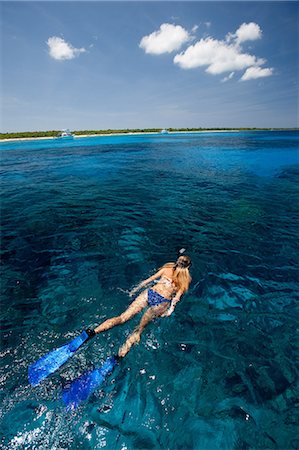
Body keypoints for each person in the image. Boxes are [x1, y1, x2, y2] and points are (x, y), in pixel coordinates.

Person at [91, 255, 192, 358]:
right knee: (139, 329)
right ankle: (120, 355)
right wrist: (170, 310)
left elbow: (149, 280)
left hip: (149, 293)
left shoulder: (167, 269)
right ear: (187, 267)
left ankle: (93, 331)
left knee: (122, 318)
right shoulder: (185, 280)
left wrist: (135, 289)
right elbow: (176, 298)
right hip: (161, 302)